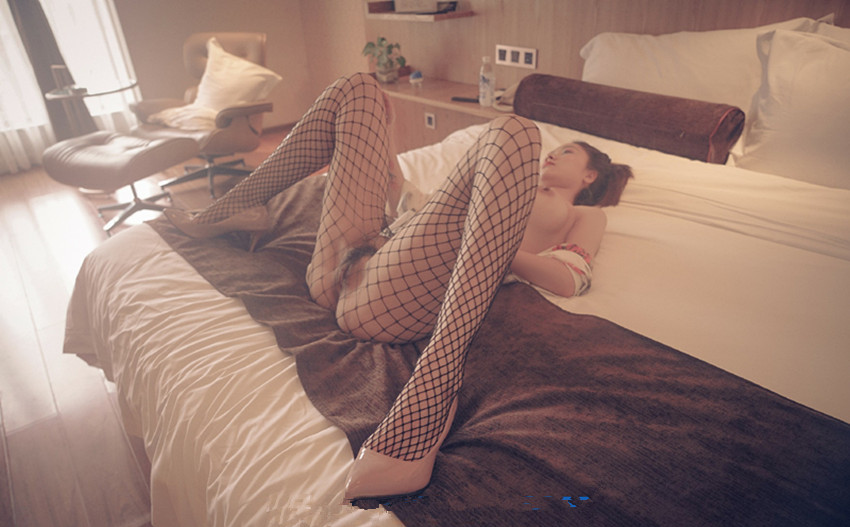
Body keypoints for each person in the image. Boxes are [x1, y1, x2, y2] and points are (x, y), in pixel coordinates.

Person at [164, 73, 632, 501]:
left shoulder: (583, 214)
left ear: (589, 175)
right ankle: (232, 208)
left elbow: (570, 278)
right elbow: (413, 208)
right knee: (357, 90)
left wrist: (490, 239)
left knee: (516, 130)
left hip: (388, 300)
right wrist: (383, 146)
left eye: (567, 153)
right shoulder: (486, 178)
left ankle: (435, 388)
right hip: (351, 261)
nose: (552, 154)